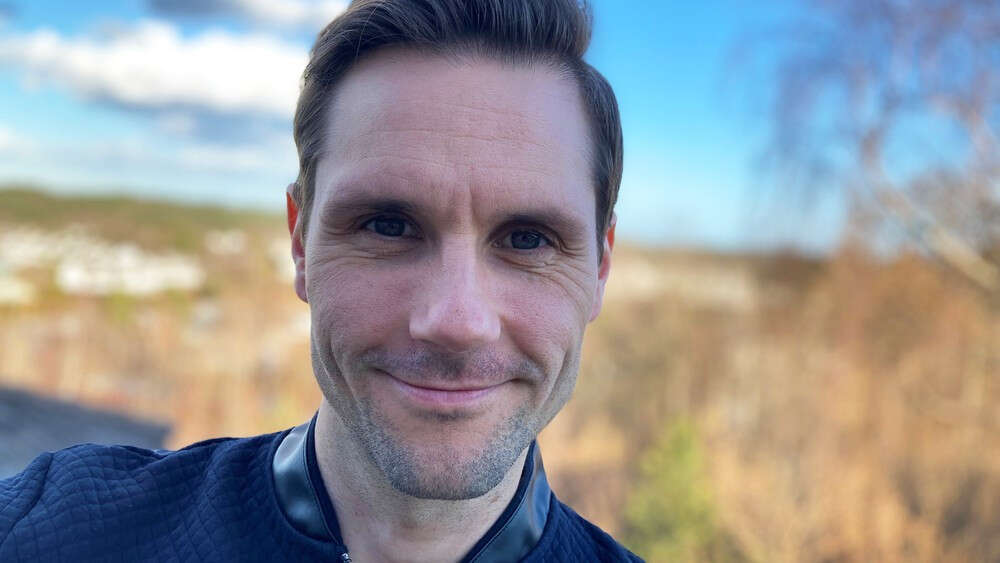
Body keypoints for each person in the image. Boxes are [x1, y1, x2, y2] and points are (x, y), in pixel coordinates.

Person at [0, 0, 638, 561]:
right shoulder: (55, 529)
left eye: (528, 240)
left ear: (599, 267)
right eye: (388, 225)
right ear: (301, 243)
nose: (455, 321)